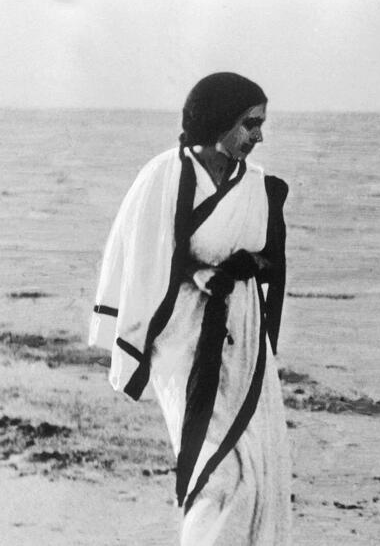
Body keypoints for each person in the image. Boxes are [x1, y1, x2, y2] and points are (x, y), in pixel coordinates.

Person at [89, 72, 291, 545]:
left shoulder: (257, 186)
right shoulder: (166, 174)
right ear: (220, 121)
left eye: (261, 124)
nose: (259, 136)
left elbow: (270, 261)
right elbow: (148, 259)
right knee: (215, 469)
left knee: (256, 465)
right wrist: (202, 275)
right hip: (181, 333)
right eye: (250, 123)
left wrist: (250, 265)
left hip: (242, 336)